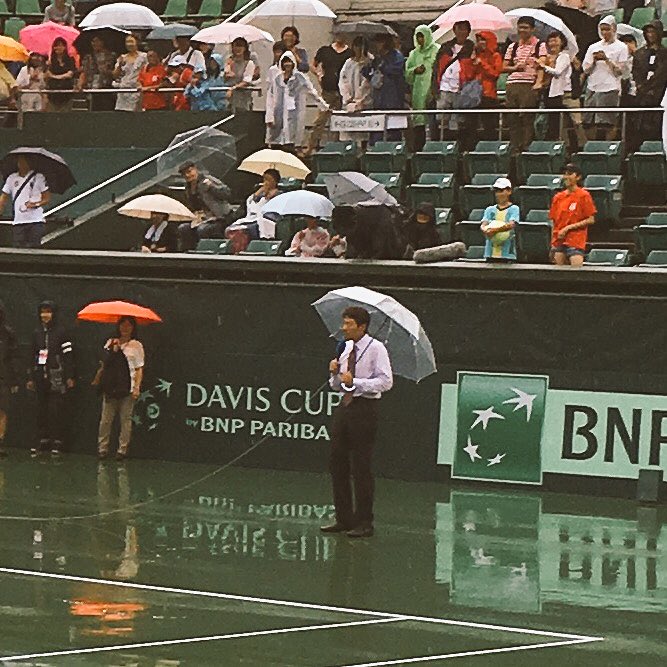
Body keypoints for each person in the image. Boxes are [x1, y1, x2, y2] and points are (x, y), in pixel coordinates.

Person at [322, 306, 393, 538]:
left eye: (349, 324)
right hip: (345, 407)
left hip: (365, 408)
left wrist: (358, 382)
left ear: (362, 326)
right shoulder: (345, 349)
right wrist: (333, 374)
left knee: (361, 466)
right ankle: (344, 518)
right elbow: (337, 385)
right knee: (337, 462)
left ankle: (364, 522)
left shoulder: (376, 348)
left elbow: (385, 382)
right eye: (343, 323)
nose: (344, 328)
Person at [26, 300, 75, 457]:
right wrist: (31, 377)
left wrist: (69, 376)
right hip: (40, 377)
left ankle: (57, 442)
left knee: (56, 410)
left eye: (48, 311)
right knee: (41, 409)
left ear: (54, 314)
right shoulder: (36, 333)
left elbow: (68, 356)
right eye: (42, 312)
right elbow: (31, 355)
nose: (45, 315)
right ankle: (43, 441)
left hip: (58, 377)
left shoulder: (62, 332)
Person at [94, 316, 144, 461]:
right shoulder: (110, 342)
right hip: (110, 388)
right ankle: (102, 448)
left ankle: (122, 450)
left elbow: (139, 368)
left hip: (127, 388)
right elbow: (104, 363)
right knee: (105, 420)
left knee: (125, 420)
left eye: (129, 325)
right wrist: (113, 350)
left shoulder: (136, 346)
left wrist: (137, 388)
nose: (125, 328)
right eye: (123, 325)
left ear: (133, 328)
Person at [265, 51, 329, 152]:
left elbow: (311, 91)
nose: (287, 64)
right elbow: (270, 97)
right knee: (276, 144)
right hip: (278, 115)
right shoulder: (277, 78)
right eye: (285, 62)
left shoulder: (300, 77)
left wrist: (323, 105)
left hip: (294, 115)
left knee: (291, 141)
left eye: (289, 62)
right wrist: (269, 116)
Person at [503, 16, 548, 154]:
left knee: (527, 117)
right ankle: (514, 146)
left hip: (528, 83)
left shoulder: (540, 45)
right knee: (512, 117)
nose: (522, 30)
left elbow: (542, 64)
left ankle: (526, 146)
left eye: (526, 27)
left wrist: (538, 79)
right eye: (520, 27)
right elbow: (503, 66)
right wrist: (515, 67)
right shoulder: (513, 46)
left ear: (532, 29)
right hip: (512, 84)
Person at [582, 15, 628, 140]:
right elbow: (585, 69)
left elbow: (620, 71)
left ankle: (607, 147)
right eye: (602, 29)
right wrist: (594, 61)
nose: (604, 32)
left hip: (610, 87)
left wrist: (606, 60)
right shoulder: (593, 47)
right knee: (588, 122)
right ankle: (591, 147)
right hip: (593, 87)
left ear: (614, 29)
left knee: (607, 122)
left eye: (607, 29)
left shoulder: (622, 47)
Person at [306, 34, 352, 155]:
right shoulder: (325, 51)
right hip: (327, 91)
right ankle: (311, 146)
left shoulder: (349, 53)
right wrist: (318, 74)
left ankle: (336, 147)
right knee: (321, 120)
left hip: (342, 92)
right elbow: (313, 64)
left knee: (339, 121)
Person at [434, 20, 476, 141]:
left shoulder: (472, 48)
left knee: (458, 121)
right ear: (454, 30)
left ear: (468, 32)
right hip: (444, 88)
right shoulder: (445, 47)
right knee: (442, 119)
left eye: (464, 29)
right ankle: (443, 143)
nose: (461, 32)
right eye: (459, 28)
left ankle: (457, 146)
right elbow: (436, 68)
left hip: (461, 89)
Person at [177, 161, 232, 251]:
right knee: (183, 228)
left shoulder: (208, 180)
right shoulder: (188, 187)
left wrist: (212, 187)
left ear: (195, 169)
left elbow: (227, 193)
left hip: (220, 217)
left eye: (189, 171)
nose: (187, 175)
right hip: (202, 218)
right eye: (184, 174)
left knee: (203, 230)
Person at [549, 163, 596, 266]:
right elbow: (554, 221)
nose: (566, 177)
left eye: (569, 174)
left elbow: (590, 219)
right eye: (564, 174)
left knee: (577, 272)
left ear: (578, 177)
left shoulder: (584, 195)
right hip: (559, 241)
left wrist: (568, 228)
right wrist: (552, 244)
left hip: (576, 241)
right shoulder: (558, 197)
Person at [362, 34, 406, 142]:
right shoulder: (376, 59)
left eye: (379, 42)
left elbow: (395, 70)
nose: (377, 45)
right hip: (378, 101)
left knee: (393, 133)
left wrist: (383, 67)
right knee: (377, 133)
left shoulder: (397, 56)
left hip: (393, 100)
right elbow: (366, 72)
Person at [225, 168, 281, 253]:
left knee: (248, 229)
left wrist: (269, 196)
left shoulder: (279, 194)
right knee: (232, 228)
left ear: (275, 181)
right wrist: (260, 192)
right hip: (253, 218)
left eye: (269, 180)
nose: (266, 182)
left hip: (269, 219)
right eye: (265, 179)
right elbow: (252, 203)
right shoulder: (260, 192)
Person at [0, 155, 50, 248]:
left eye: (24, 161)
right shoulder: (11, 178)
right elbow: (3, 196)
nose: (21, 164)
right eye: (20, 162)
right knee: (18, 249)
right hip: (18, 222)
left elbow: (46, 198)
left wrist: (36, 204)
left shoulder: (38, 177)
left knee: (34, 249)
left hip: (36, 221)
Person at [405, 25, 439, 151]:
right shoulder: (413, 54)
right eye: (418, 37)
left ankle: (434, 149)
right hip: (418, 92)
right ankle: (419, 149)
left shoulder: (437, 50)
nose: (420, 40)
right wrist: (415, 70)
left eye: (422, 36)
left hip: (433, 91)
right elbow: (407, 73)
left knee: (433, 122)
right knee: (419, 122)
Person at [633, 20, 667, 143]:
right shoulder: (640, 53)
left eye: (653, 32)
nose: (650, 35)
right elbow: (636, 72)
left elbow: (662, 74)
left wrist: (651, 88)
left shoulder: (665, 54)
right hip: (642, 95)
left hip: (659, 93)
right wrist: (641, 86)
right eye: (648, 32)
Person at [537, 31, 572, 140]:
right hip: (549, 92)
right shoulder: (548, 57)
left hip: (561, 92)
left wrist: (543, 66)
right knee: (551, 120)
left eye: (555, 40)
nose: (553, 43)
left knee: (562, 121)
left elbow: (558, 71)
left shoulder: (564, 56)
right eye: (550, 41)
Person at [338, 36, 373, 145]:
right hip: (349, 102)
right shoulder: (349, 62)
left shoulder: (370, 62)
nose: (358, 49)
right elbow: (343, 80)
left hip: (363, 103)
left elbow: (367, 83)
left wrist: (359, 99)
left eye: (360, 46)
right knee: (348, 134)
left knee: (363, 133)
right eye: (356, 46)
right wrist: (347, 97)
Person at [472, 31, 503, 141]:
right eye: (479, 40)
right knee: (472, 124)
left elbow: (495, 74)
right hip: (475, 93)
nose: (481, 42)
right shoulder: (476, 55)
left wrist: (482, 64)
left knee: (489, 125)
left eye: (483, 40)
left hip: (489, 94)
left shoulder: (496, 56)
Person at [480, 177, 519, 263]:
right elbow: (483, 224)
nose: (498, 194)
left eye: (501, 190)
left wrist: (494, 230)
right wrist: (485, 230)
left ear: (509, 191)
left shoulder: (514, 209)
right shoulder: (489, 209)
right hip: (490, 254)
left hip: (507, 255)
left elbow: (511, 224)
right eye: (497, 191)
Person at [0, 301, 19, 458]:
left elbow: (13, 358)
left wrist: (13, 380)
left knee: (2, 411)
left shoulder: (8, 334)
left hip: (3, 378)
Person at [78, 35, 117, 111]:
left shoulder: (111, 55)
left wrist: (104, 70)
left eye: (97, 41)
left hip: (106, 89)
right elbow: (84, 72)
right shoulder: (88, 57)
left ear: (102, 42)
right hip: (92, 89)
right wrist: (80, 83)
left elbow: (114, 73)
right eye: (93, 41)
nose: (94, 43)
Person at [112, 35, 147, 112]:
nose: (129, 44)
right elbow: (115, 75)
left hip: (137, 90)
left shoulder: (144, 57)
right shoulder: (122, 57)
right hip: (124, 90)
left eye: (131, 41)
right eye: (127, 42)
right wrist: (120, 65)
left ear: (137, 42)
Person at [223, 37, 255, 113]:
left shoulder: (249, 63)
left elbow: (246, 81)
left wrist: (233, 88)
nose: (238, 49)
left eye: (240, 46)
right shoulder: (229, 61)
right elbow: (224, 79)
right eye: (236, 46)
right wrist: (227, 71)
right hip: (229, 99)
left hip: (243, 98)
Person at [45, 37, 76, 112]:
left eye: (61, 45)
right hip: (52, 93)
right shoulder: (50, 61)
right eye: (56, 45)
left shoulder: (70, 60)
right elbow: (47, 75)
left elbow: (70, 74)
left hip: (67, 92)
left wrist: (55, 77)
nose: (59, 47)